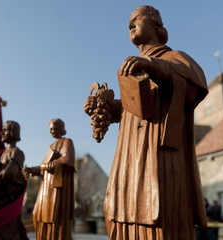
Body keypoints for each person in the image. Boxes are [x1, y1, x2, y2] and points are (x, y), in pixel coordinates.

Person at [84, 5, 208, 239]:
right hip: (129, 154)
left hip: (158, 153)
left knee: (158, 212)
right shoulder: (133, 67)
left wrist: (152, 64)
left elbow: (195, 82)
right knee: (121, 209)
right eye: (127, 23)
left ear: (155, 24)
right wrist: (107, 108)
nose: (130, 25)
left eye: (136, 20)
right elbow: (134, 110)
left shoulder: (173, 57)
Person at [23, 118, 75, 240]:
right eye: (50, 128)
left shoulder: (67, 141)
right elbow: (43, 166)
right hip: (46, 186)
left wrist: (47, 165)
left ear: (61, 128)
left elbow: (67, 159)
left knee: (55, 216)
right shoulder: (51, 145)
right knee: (37, 214)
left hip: (57, 187)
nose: (52, 131)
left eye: (54, 128)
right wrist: (32, 170)